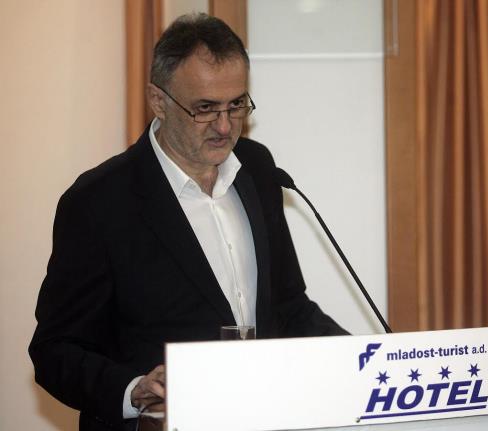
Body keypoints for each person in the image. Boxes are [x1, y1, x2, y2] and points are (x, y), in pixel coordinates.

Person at [29, 13, 347, 431]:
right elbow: (55, 350)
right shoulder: (98, 201)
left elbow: (287, 307)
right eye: (205, 109)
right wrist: (134, 390)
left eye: (237, 105)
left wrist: (367, 362)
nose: (225, 126)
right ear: (158, 101)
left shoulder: (257, 168)